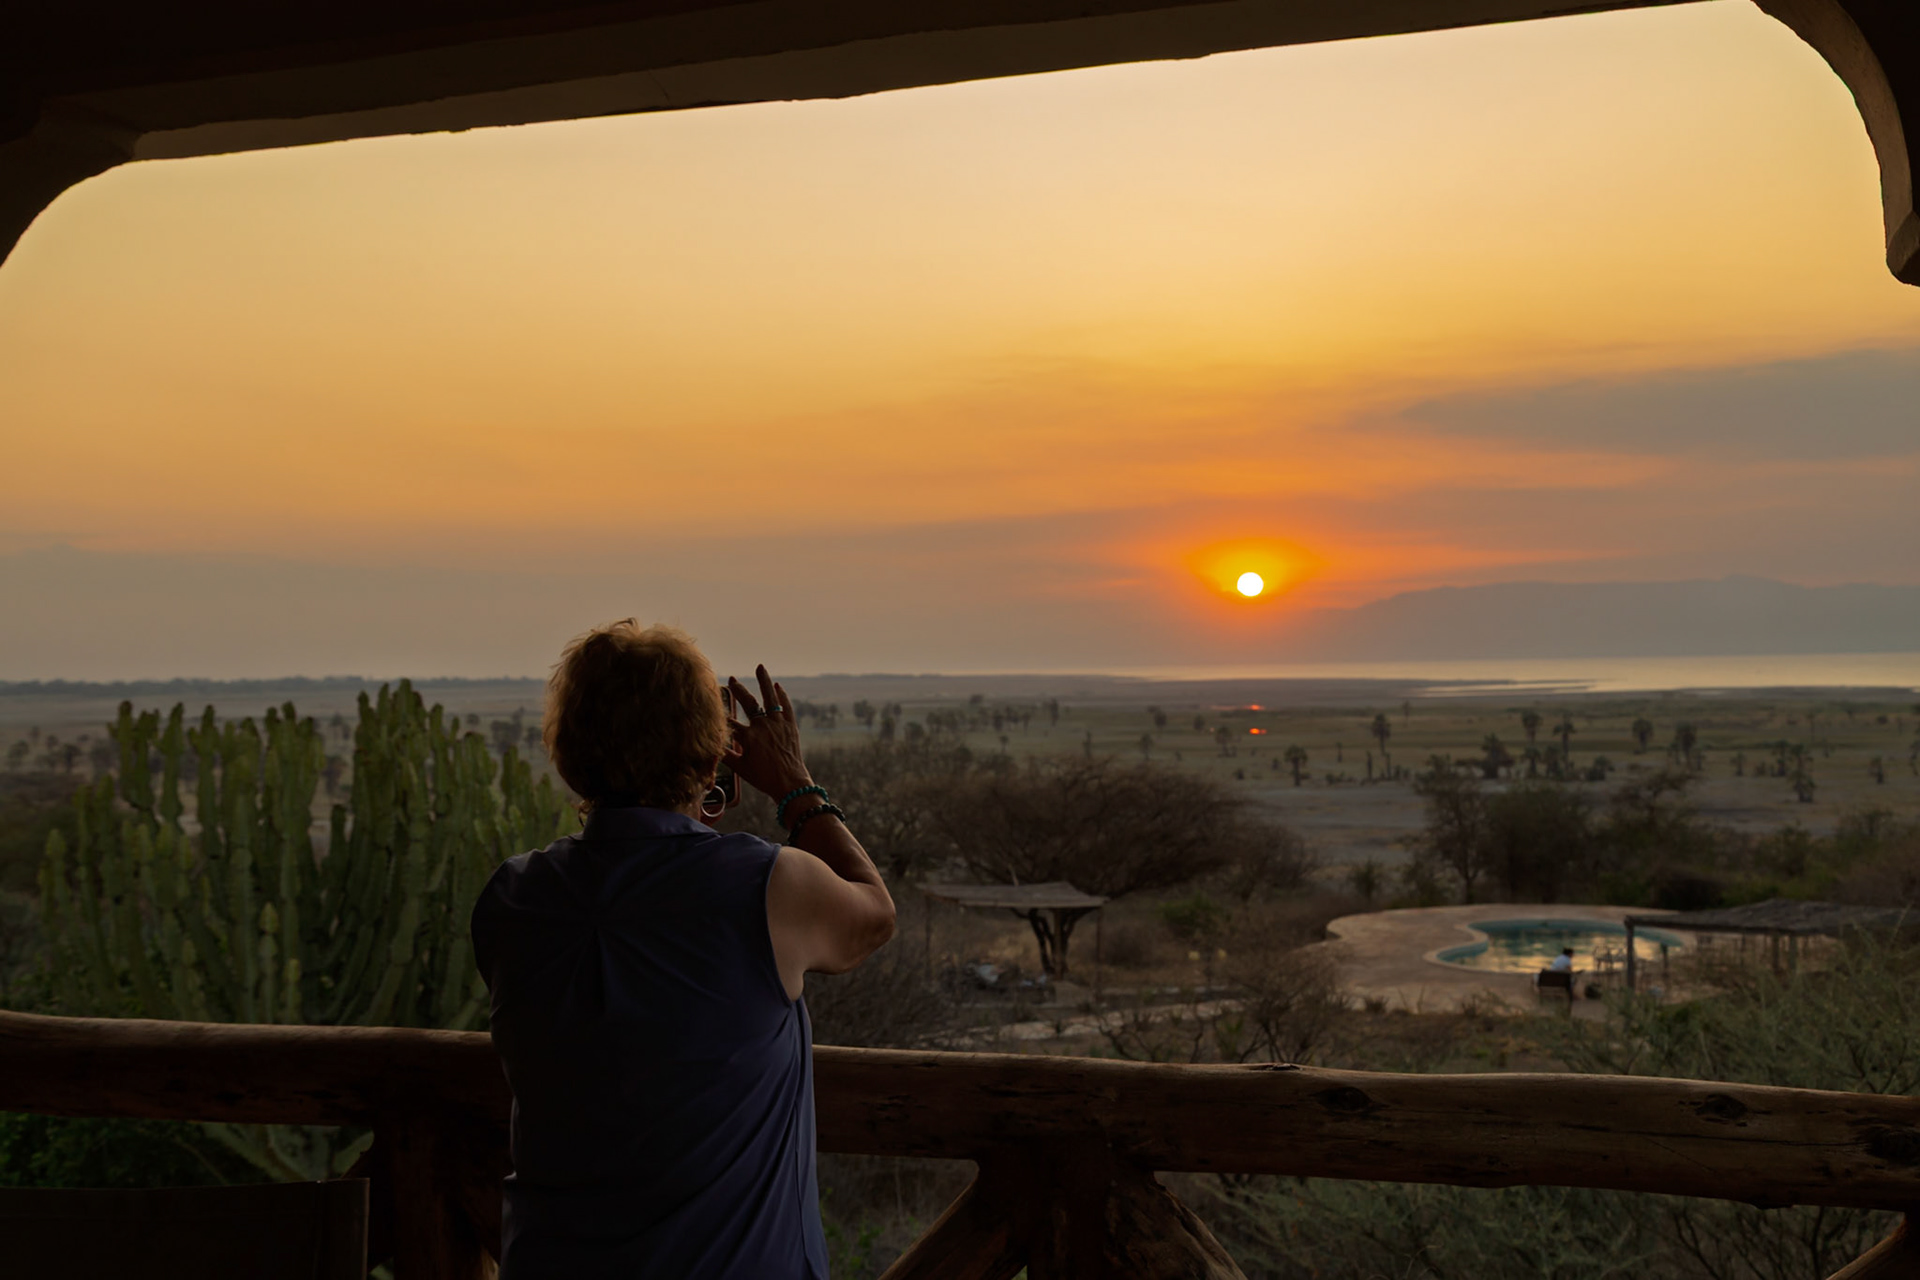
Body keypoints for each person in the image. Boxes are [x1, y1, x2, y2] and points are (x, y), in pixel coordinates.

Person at [471, 621, 896, 1279]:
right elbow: (873, 915)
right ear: (711, 757)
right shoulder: (766, 886)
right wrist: (795, 783)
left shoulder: (514, 899)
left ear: (568, 755)